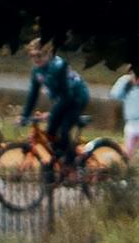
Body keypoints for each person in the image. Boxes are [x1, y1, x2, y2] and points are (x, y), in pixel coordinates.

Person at [21, 38, 89, 172]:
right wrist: (25, 115)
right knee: (50, 132)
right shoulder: (37, 71)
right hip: (62, 99)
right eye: (32, 56)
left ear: (49, 54)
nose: (36, 59)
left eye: (39, 55)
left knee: (64, 130)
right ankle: (61, 158)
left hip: (76, 97)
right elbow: (33, 94)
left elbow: (67, 96)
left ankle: (71, 163)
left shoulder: (58, 67)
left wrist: (52, 113)